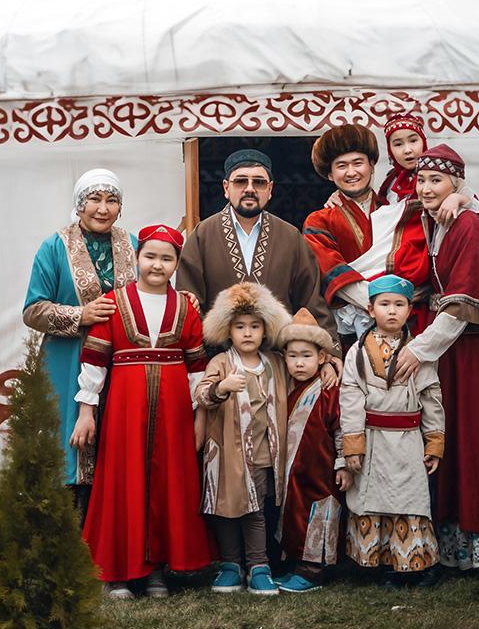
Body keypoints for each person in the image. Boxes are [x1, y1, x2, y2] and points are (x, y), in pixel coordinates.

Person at [397, 145, 479, 571]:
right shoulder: (434, 219)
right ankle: (458, 542)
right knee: (456, 437)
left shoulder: (467, 225)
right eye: (421, 179)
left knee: (477, 438)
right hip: (454, 350)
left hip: (475, 348)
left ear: (456, 183)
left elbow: (458, 305)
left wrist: (417, 349)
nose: (427, 187)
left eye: (437, 180)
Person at [70, 225, 212, 599]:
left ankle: (156, 571)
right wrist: (87, 413)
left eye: (167, 258)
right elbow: (95, 362)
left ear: (177, 263)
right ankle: (116, 572)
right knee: (122, 482)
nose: (157, 265)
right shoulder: (112, 303)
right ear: (137, 257)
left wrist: (200, 418)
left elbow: (197, 370)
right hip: (124, 410)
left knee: (168, 485)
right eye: (150, 256)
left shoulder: (186, 307)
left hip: (175, 411)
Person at [22, 168, 137, 505]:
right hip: (66, 361)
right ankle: (69, 530)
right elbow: (32, 310)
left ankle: (110, 535)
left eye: (111, 200)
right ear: (79, 204)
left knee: (116, 443)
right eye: (94, 199)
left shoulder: (132, 245)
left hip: (119, 361)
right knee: (68, 443)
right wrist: (80, 315)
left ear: (120, 207)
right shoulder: (55, 246)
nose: (103, 208)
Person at [304, 123, 466, 341]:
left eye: (358, 163)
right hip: (353, 332)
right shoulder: (319, 221)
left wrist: (461, 196)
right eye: (341, 166)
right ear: (330, 175)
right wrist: (383, 304)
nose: (351, 172)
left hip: (412, 323)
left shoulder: (398, 208)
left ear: (372, 166)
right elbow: (331, 272)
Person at [176, 148, 339, 355]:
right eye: (241, 181)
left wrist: (329, 351)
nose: (250, 189)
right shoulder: (203, 235)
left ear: (270, 189)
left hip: (281, 363)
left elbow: (311, 300)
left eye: (259, 182)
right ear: (226, 187)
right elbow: (189, 303)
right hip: (220, 364)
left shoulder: (290, 236)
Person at [339, 275, 445, 589]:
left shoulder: (418, 353)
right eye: (384, 304)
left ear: (409, 309)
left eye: (399, 304)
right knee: (375, 500)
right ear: (370, 310)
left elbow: (431, 395)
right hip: (371, 441)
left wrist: (434, 440)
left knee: (409, 501)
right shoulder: (356, 353)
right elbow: (350, 395)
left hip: (408, 444)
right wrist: (353, 443)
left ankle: (419, 566)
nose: (392, 311)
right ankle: (386, 565)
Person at [196, 282, 293, 595]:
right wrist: (222, 387)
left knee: (255, 510)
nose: (248, 333)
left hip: (263, 454)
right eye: (240, 327)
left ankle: (258, 565)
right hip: (226, 453)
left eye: (255, 326)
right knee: (225, 509)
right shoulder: (222, 363)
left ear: (266, 331)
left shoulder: (275, 363)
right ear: (228, 331)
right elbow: (200, 394)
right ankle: (231, 564)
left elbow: (301, 372)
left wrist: (330, 362)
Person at [273, 309, 349, 593]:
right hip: (294, 470)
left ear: (322, 358)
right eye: (292, 356)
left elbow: (341, 427)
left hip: (322, 469)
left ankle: (313, 571)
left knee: (320, 516)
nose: (299, 363)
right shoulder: (285, 385)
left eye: (307, 356)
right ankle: (294, 565)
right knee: (293, 515)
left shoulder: (330, 389)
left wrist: (343, 463)